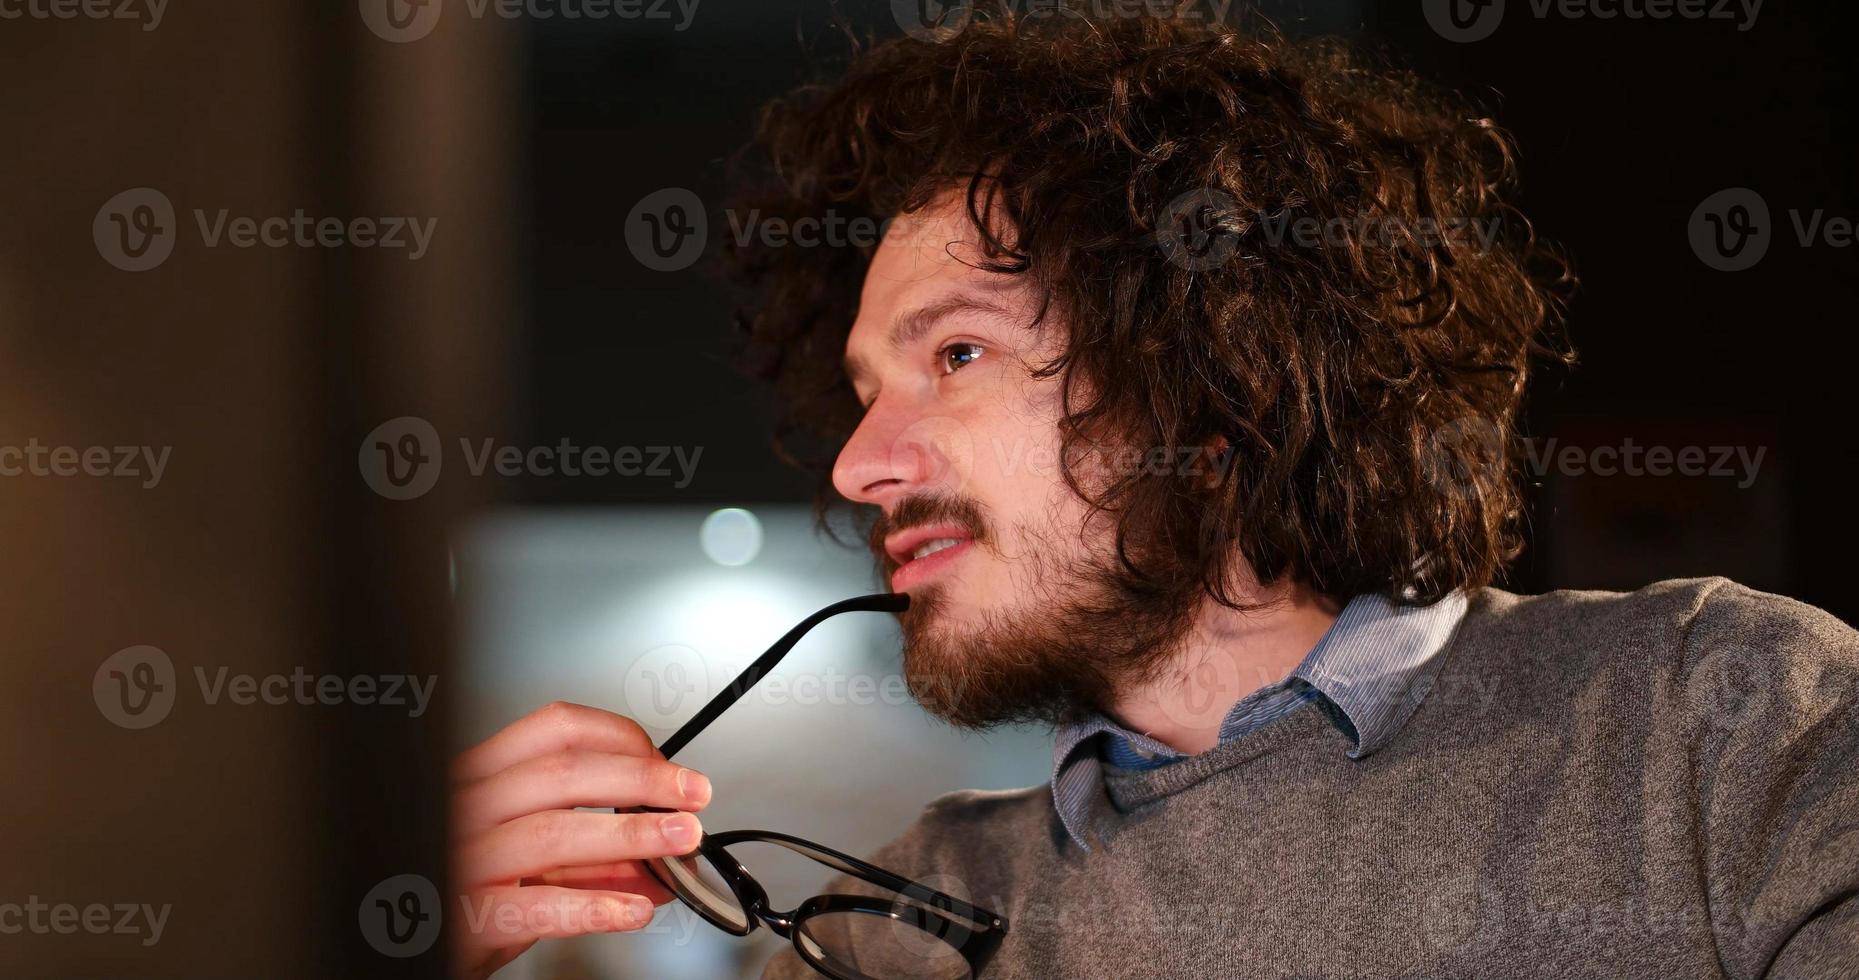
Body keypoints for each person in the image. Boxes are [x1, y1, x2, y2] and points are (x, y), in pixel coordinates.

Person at [451, 9, 1858, 978]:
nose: (857, 464)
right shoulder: (890, 929)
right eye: (867, 389)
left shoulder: (1722, 719)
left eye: (956, 351)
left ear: (1218, 361)